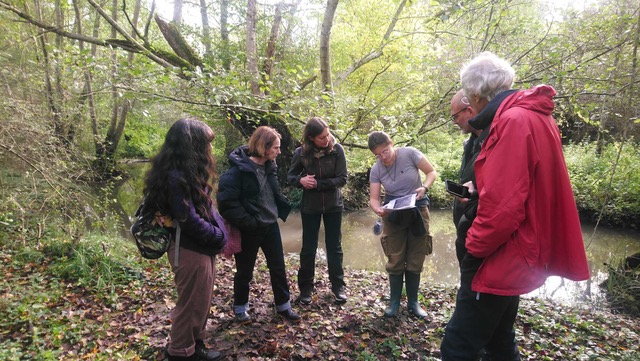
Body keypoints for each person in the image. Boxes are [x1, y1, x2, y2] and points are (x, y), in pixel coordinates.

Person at [440, 52, 590, 360]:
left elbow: (503, 209)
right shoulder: (536, 115)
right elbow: (523, 184)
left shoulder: (511, 121)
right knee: (499, 339)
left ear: (478, 96)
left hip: (501, 253)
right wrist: (481, 188)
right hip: (522, 250)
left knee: (458, 345)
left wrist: (474, 247)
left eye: (469, 97)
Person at [142, 118, 226, 361]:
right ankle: (180, 352)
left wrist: (218, 235)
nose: (209, 149)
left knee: (201, 300)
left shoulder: (187, 173)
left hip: (201, 247)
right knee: (190, 304)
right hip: (188, 249)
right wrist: (217, 236)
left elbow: (204, 209)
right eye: (206, 144)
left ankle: (194, 344)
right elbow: (187, 219)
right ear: (192, 146)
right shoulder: (175, 178)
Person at [217, 126, 301, 324]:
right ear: (264, 146)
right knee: (245, 271)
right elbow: (227, 204)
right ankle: (240, 308)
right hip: (250, 228)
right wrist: (249, 222)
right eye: (276, 148)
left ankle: (283, 306)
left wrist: (281, 205)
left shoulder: (270, 166)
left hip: (270, 225)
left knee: (278, 267)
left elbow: (272, 192)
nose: (279, 152)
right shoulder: (237, 171)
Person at [368, 131, 437, 318]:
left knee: (416, 255)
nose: (383, 157)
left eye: (385, 151)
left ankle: (413, 303)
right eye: (378, 154)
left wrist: (425, 187)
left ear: (392, 144)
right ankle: (394, 303)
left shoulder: (410, 154)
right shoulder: (376, 169)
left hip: (418, 209)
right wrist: (378, 210)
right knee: (395, 257)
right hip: (393, 214)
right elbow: (374, 199)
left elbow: (431, 172)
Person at [287, 117, 348, 305]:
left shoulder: (337, 150)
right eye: (322, 137)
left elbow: (342, 179)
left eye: (328, 134)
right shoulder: (301, 153)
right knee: (308, 248)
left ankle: (338, 287)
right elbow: (290, 176)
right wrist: (300, 181)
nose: (327, 139)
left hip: (333, 206)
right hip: (310, 207)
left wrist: (317, 184)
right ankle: (305, 289)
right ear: (311, 138)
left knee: (334, 247)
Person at [449, 90, 481, 266]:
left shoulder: (493, 140)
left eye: (455, 117)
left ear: (469, 111)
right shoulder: (471, 142)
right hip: (465, 228)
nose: (454, 122)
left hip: (479, 234)